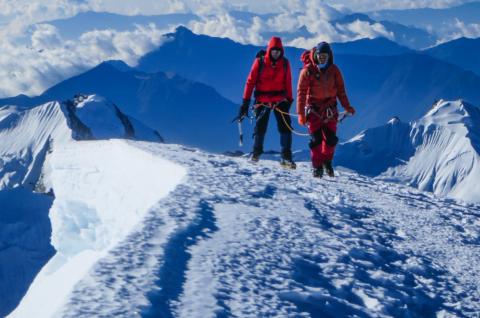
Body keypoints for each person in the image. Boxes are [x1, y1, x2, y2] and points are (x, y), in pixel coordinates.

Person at [296, 42, 356, 178]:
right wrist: (300, 114)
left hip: (330, 109)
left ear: (329, 56)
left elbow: (341, 91)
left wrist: (347, 107)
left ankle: (327, 161)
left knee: (330, 139)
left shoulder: (334, 70)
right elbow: (301, 93)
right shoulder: (307, 71)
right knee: (316, 140)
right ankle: (317, 166)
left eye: (325, 56)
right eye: (320, 55)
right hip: (314, 110)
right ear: (316, 55)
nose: (322, 58)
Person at [238, 36, 295, 168]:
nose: (276, 53)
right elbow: (250, 81)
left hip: (280, 100)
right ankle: (256, 153)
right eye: (274, 51)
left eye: (278, 51)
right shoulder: (260, 62)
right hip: (262, 100)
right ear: (269, 50)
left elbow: (288, 82)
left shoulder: (285, 64)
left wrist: (289, 100)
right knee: (260, 127)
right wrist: (245, 102)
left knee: (286, 127)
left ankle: (286, 157)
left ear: (281, 51)